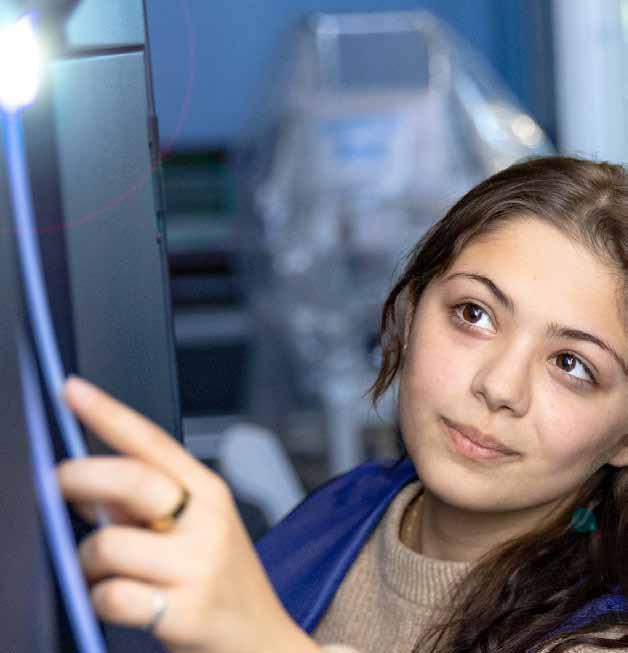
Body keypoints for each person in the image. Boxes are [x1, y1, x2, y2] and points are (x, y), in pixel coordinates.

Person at [57, 155, 628, 653]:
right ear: (408, 313)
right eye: (473, 314)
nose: (500, 387)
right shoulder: (346, 509)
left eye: (571, 365)